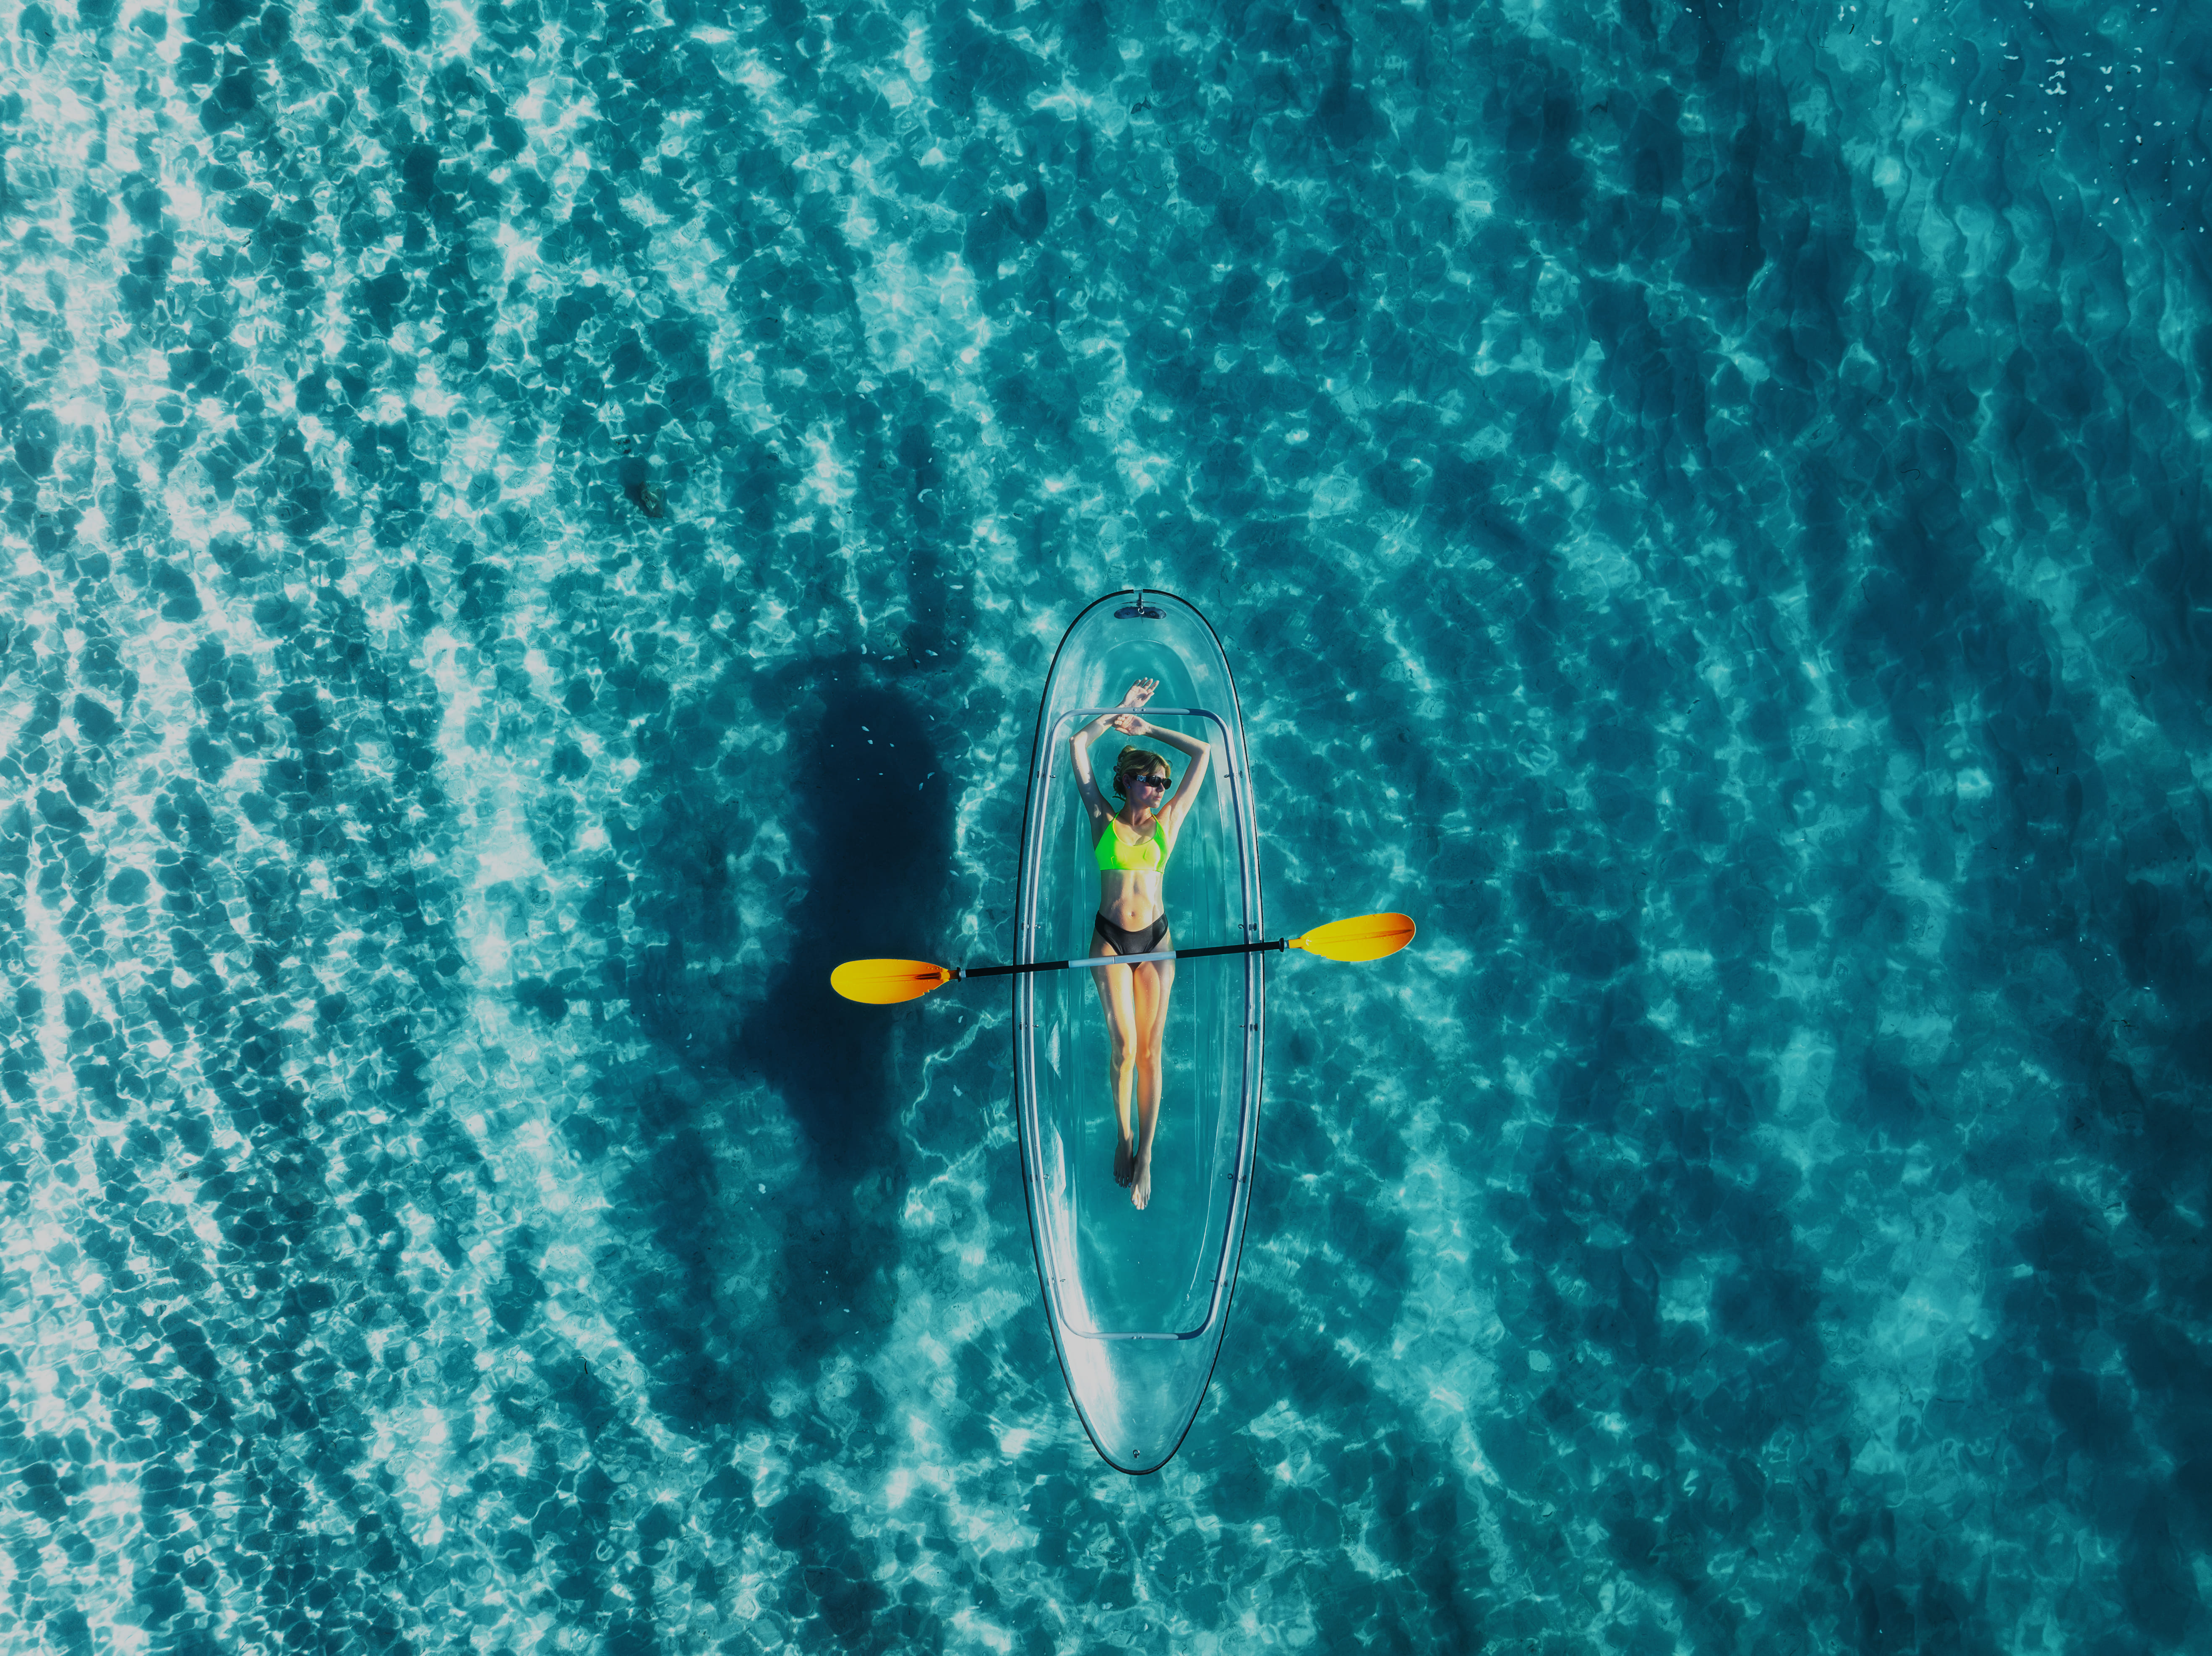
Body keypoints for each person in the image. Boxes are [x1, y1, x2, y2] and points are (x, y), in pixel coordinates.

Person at [1069, 678, 1212, 1209]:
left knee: (1150, 1052)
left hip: (1156, 941)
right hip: (1108, 938)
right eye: (1148, 780)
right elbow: (1076, 748)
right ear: (1126, 782)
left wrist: (1149, 727)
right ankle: (1124, 1136)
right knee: (1124, 1049)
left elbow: (1205, 753)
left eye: (1161, 781)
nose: (1157, 787)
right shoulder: (1100, 817)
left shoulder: (1169, 822)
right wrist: (1116, 712)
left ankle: (1146, 1151)